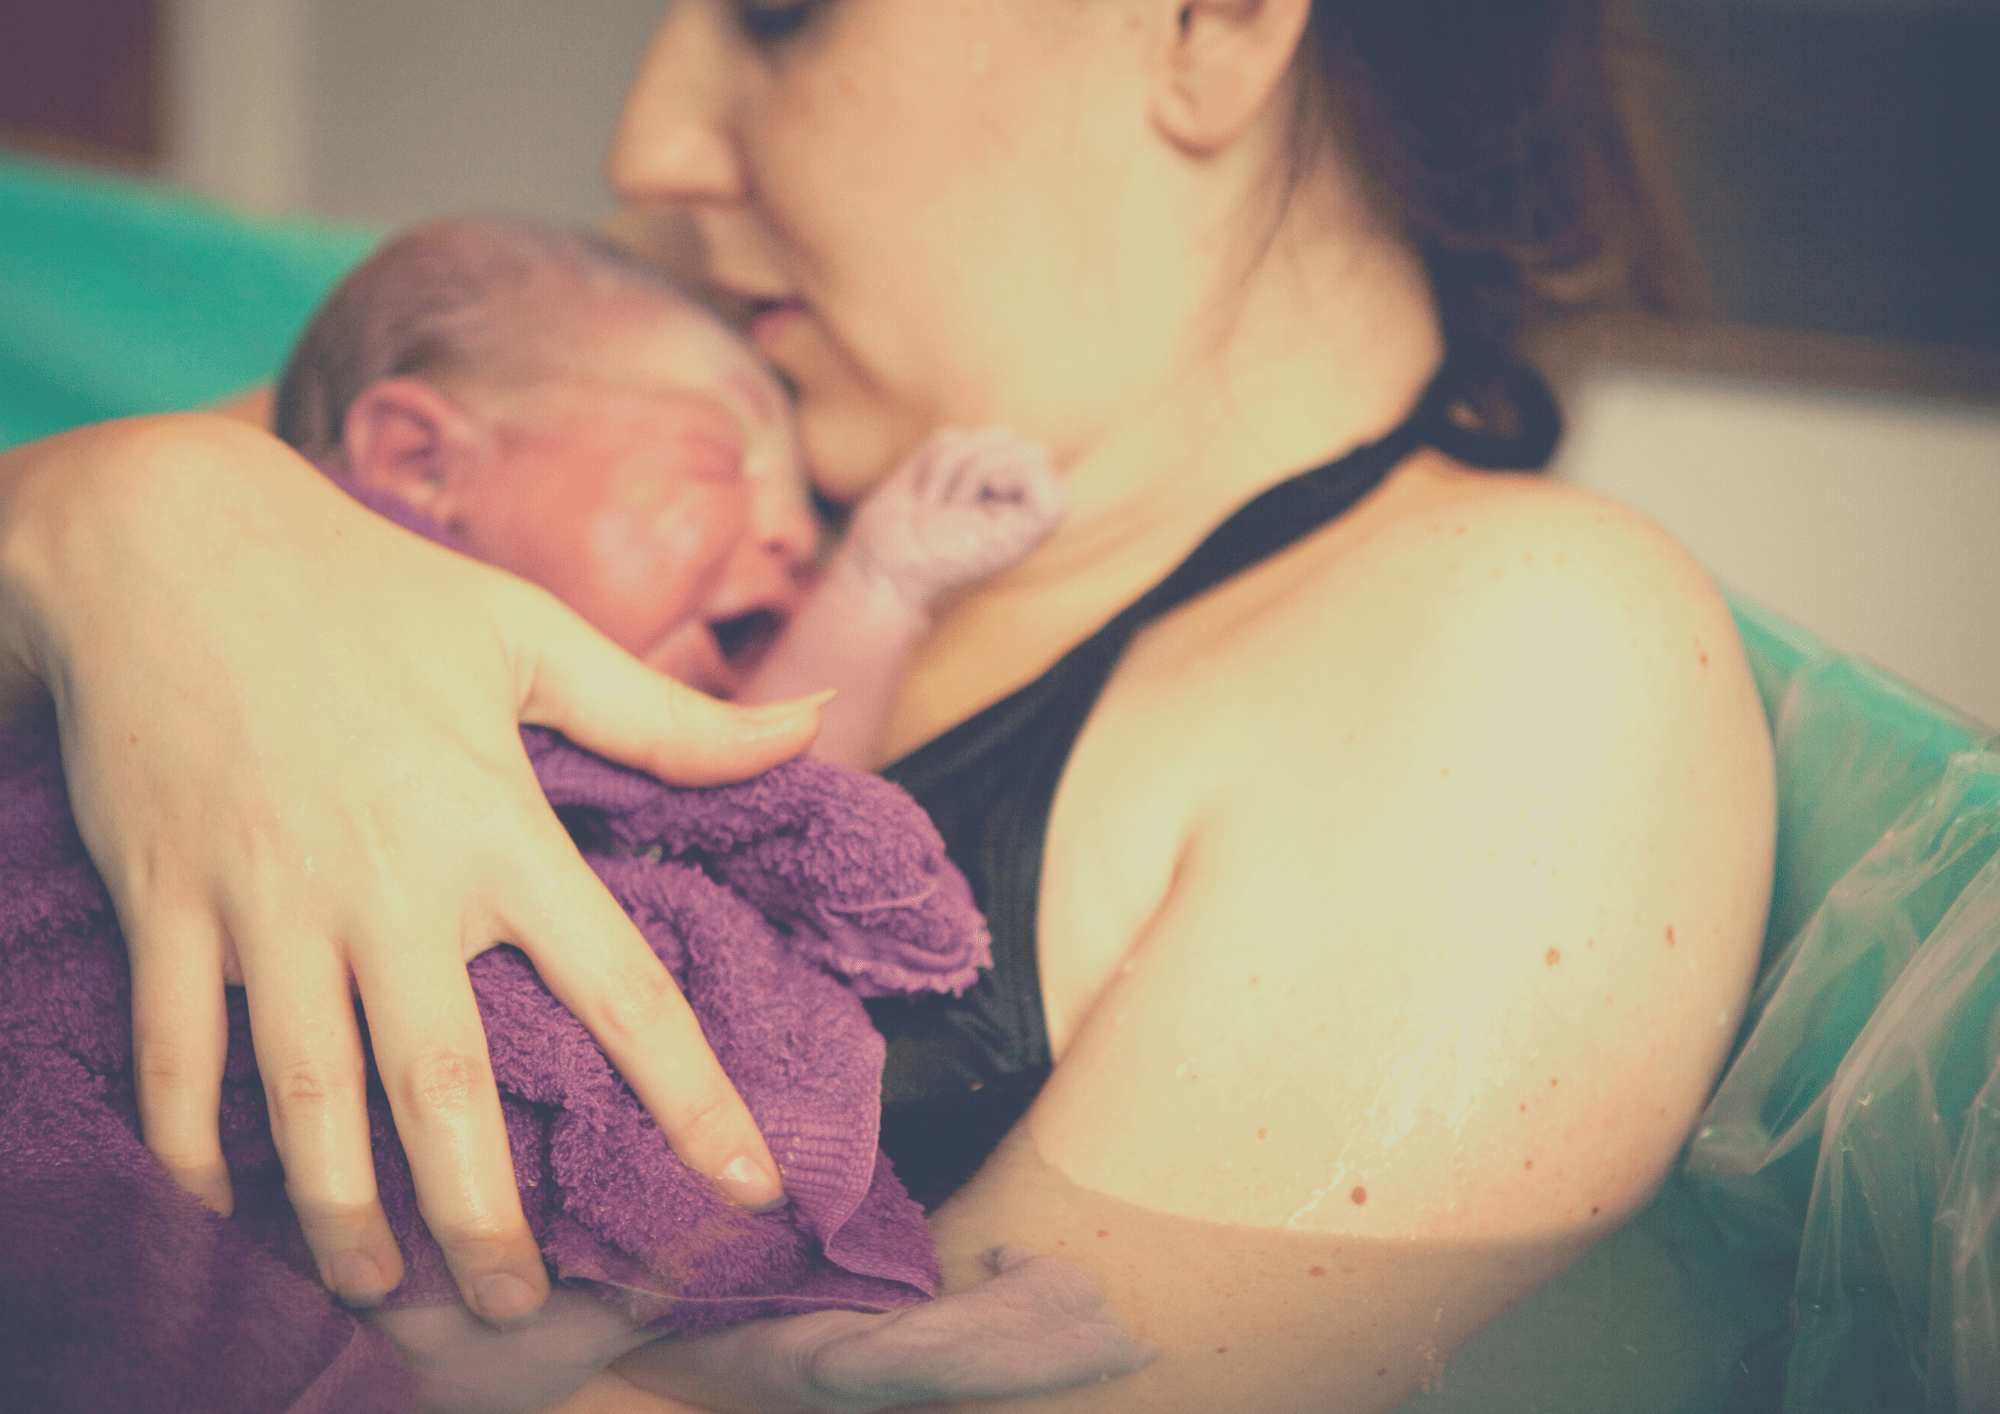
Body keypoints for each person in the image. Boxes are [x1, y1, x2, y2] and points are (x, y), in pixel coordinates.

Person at [0, 3, 1777, 1411]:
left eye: (781, 7)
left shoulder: (1512, 657)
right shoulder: (674, 382)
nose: (647, 140)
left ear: (1214, 20)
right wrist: (123, 514)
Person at [272, 213, 1067, 769]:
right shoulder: (266, 674)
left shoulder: (651, 769)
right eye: (721, 459)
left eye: (804, 508)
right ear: (422, 465)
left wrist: (878, 587)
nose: (796, 536)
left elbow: (779, 808)